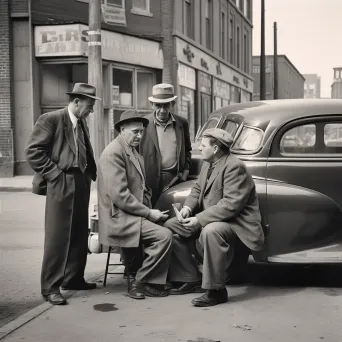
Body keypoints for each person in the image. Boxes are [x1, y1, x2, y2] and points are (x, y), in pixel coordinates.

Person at [164, 128, 265, 307]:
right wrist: (188, 208)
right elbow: (197, 189)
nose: (199, 148)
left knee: (211, 231)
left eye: (203, 145)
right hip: (216, 218)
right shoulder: (209, 162)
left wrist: (198, 219)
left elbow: (231, 206)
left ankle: (216, 291)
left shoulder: (234, 166)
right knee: (170, 225)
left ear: (216, 148)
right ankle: (191, 277)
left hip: (236, 224)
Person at [25, 83, 99, 305]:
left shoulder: (81, 122)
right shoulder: (51, 119)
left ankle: (73, 278)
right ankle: (50, 287)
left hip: (80, 180)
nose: (91, 111)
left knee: (78, 232)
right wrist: (55, 175)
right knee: (58, 237)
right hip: (62, 180)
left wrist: (88, 175)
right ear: (76, 102)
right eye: (89, 106)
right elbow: (32, 152)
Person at [97, 109, 173, 300]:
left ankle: (151, 281)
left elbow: (140, 188)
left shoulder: (130, 150)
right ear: (122, 130)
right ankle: (140, 282)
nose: (140, 135)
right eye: (135, 131)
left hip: (131, 212)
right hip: (119, 216)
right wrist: (148, 213)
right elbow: (120, 196)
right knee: (164, 236)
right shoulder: (113, 153)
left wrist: (151, 209)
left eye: (141, 131)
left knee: (172, 226)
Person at [139, 83, 192, 206]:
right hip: (149, 182)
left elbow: (187, 151)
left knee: (172, 216)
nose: (162, 110)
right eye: (158, 105)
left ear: (172, 104)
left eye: (166, 105)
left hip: (175, 180)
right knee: (152, 216)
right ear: (152, 104)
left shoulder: (182, 123)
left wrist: (185, 173)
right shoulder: (143, 124)